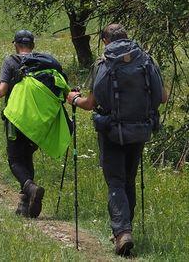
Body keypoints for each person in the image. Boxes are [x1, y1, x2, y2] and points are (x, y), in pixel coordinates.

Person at [67, 24, 167, 257]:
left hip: (111, 132)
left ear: (104, 40)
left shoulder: (103, 63)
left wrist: (74, 99)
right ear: (126, 37)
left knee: (115, 182)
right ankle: (124, 230)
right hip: (140, 130)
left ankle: (122, 232)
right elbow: (161, 97)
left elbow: (90, 104)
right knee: (129, 180)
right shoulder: (146, 60)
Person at [0, 30, 70, 219]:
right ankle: (25, 204)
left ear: (15, 44)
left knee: (14, 159)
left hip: (17, 118)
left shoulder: (11, 61)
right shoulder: (43, 63)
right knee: (27, 156)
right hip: (39, 121)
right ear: (33, 45)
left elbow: (2, 91)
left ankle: (30, 188)